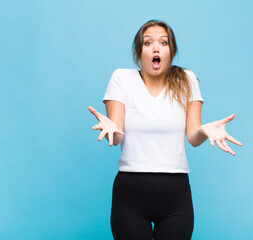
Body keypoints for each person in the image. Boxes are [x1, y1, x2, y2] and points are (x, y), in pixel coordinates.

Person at [88, 20, 242, 240]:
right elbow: (116, 137)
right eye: (148, 43)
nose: (156, 48)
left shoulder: (186, 79)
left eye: (164, 42)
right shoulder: (122, 78)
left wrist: (205, 130)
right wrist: (112, 129)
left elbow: (193, 137)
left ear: (172, 51)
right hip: (130, 194)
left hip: (176, 195)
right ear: (139, 51)